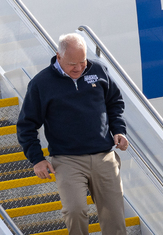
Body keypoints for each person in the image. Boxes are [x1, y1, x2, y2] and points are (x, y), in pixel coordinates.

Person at [17, 33, 129, 235]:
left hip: (104, 156)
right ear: (58, 57)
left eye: (82, 62)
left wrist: (119, 130)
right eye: (72, 64)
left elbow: (115, 104)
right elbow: (26, 125)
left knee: (115, 216)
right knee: (75, 210)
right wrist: (37, 159)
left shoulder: (98, 70)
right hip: (67, 160)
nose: (78, 68)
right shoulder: (41, 83)